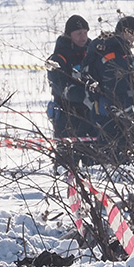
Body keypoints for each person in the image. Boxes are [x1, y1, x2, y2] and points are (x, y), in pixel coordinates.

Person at [83, 16, 134, 165]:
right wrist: (125, 107)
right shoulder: (116, 53)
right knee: (116, 158)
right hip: (113, 112)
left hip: (102, 110)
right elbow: (115, 85)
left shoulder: (108, 47)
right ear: (127, 32)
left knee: (108, 154)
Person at [46, 14, 94, 168]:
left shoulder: (92, 51)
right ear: (69, 34)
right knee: (66, 165)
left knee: (92, 165)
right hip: (66, 116)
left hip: (90, 116)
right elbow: (59, 86)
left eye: (85, 32)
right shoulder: (58, 57)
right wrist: (83, 94)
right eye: (78, 33)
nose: (83, 37)